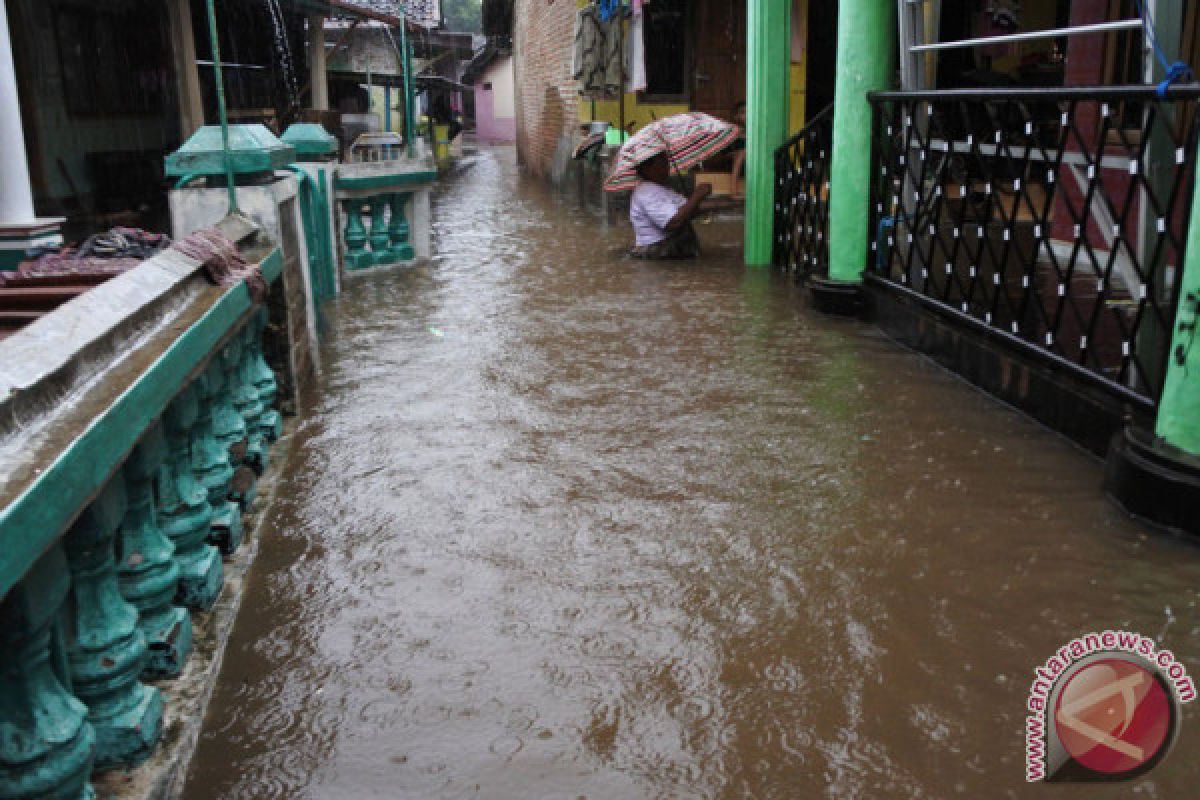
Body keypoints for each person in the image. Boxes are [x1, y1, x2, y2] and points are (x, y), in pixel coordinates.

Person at [629, 152, 711, 260]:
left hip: (664, 247)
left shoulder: (660, 188)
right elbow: (672, 222)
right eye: (662, 164)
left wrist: (732, 204)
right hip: (656, 250)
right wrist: (696, 196)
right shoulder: (647, 192)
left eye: (666, 163)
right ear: (647, 169)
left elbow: (688, 208)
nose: (667, 167)